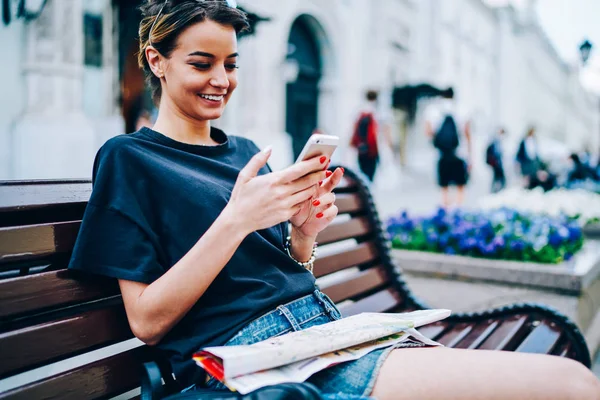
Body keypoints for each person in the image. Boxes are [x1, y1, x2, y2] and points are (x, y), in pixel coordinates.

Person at [67, 1, 600, 399]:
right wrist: (235, 220)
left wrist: (303, 235)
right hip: (249, 359)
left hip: (322, 330)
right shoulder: (128, 159)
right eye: (202, 63)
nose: (221, 80)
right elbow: (148, 321)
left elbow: (284, 269)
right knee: (570, 385)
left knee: (564, 383)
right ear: (156, 61)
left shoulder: (247, 151)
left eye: (231, 64)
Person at [425, 89, 472, 208]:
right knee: (460, 185)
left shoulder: (433, 111)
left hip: (441, 154)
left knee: (444, 186)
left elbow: (428, 132)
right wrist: (470, 155)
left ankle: (446, 209)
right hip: (459, 153)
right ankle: (458, 209)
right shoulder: (462, 109)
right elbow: (467, 134)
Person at [350, 90, 392, 182]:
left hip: (362, 147)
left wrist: (352, 144)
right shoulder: (379, 112)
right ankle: (369, 187)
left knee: (362, 170)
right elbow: (385, 130)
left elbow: (354, 129)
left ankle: (365, 185)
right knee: (371, 171)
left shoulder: (359, 110)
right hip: (374, 148)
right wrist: (389, 145)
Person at [485, 127, 506, 193]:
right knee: (497, 178)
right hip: (495, 163)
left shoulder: (498, 142)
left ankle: (497, 191)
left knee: (499, 178)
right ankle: (495, 191)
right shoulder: (494, 142)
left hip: (497, 163)